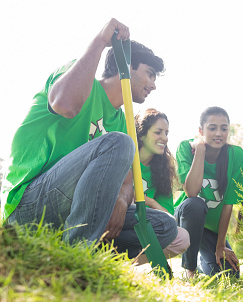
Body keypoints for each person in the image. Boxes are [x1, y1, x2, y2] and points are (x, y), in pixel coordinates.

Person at [3, 19, 180, 260]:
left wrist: (121, 197)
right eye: (150, 74)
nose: (154, 85)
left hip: (75, 212)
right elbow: (65, 105)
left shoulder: (122, 121)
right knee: (119, 142)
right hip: (30, 204)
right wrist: (100, 42)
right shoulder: (77, 77)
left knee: (165, 225)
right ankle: (77, 256)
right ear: (125, 67)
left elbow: (127, 182)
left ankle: (88, 250)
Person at [174, 106, 243, 278]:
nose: (218, 133)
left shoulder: (235, 155)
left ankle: (201, 264)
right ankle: (190, 269)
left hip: (210, 230)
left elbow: (228, 204)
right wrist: (200, 151)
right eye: (212, 128)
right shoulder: (186, 148)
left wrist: (220, 245)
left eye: (224, 128)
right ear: (201, 130)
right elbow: (191, 192)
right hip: (185, 220)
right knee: (195, 204)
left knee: (229, 274)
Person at [129, 108, 190, 263]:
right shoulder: (126, 159)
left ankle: (126, 262)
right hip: (118, 220)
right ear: (142, 135)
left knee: (182, 238)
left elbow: (169, 218)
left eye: (166, 133)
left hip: (144, 224)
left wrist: (149, 202)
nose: (165, 138)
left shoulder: (163, 171)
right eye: (158, 132)